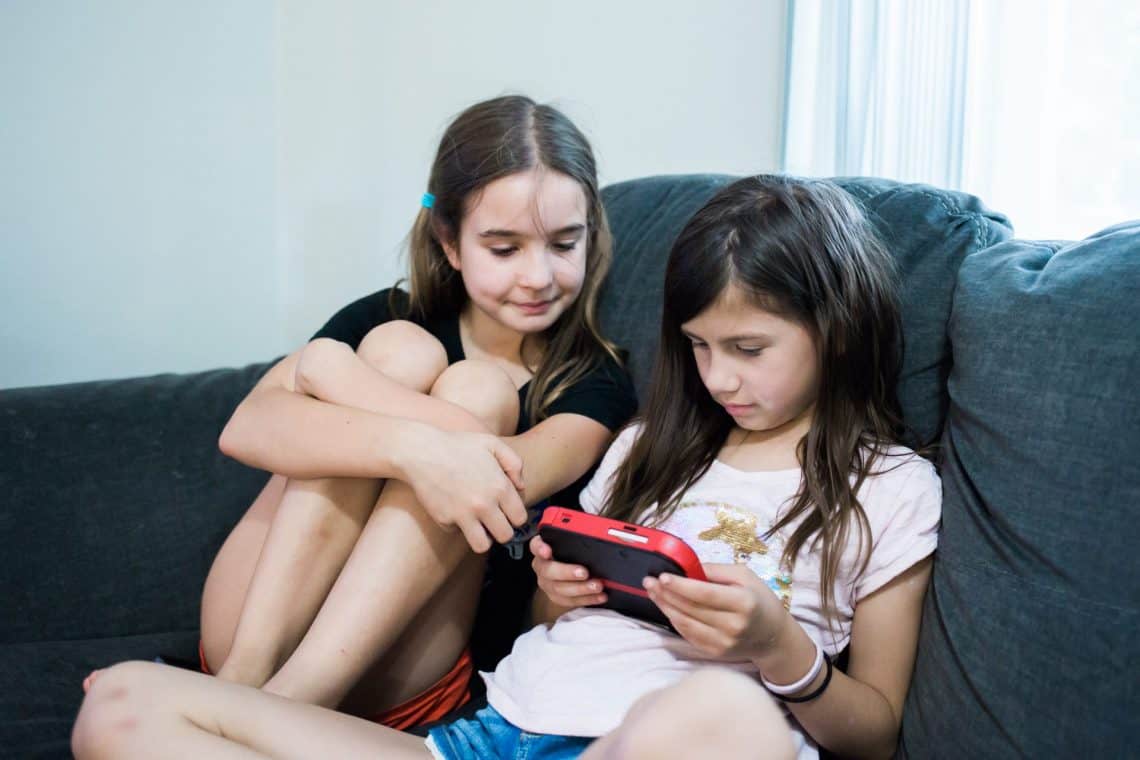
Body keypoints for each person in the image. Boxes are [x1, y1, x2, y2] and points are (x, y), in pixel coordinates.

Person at [73, 174, 940, 760]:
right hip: (491, 738)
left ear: (836, 325)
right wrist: (553, 593)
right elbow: (536, 625)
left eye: (749, 349)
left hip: (670, 738)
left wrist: (778, 649)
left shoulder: (891, 488)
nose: (719, 378)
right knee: (121, 703)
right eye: (700, 348)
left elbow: (876, 728)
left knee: (731, 714)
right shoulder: (649, 448)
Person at [81, 94, 638, 728]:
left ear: (592, 235)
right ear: (450, 243)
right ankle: (246, 683)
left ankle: (276, 709)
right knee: (400, 353)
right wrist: (412, 449)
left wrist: (333, 375)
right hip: (252, 631)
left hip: (403, 665)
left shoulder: (596, 380)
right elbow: (247, 428)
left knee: (480, 393)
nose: (538, 276)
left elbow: (505, 476)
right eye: (504, 249)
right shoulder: (390, 318)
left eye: (564, 243)